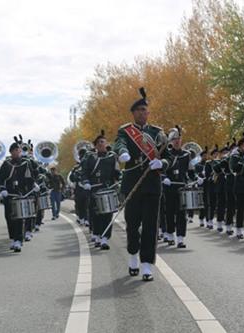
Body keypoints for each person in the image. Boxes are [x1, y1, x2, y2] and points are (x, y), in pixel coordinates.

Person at [113, 87, 168, 281]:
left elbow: (167, 156)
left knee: (151, 226)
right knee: (132, 224)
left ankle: (146, 264)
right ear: (134, 113)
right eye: (139, 111)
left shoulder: (158, 133)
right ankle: (133, 254)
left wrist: (162, 163)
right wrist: (122, 153)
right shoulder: (126, 131)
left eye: (145, 111)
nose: (143, 114)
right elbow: (118, 143)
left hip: (152, 185)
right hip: (133, 184)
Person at [79, 130, 120, 249]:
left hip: (108, 189)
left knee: (108, 214)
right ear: (96, 145)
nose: (103, 144)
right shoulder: (90, 158)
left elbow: (117, 173)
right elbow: (84, 172)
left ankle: (105, 239)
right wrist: (86, 182)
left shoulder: (112, 157)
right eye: (100, 142)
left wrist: (120, 179)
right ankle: (96, 234)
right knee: (95, 214)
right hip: (94, 189)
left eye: (104, 142)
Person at [0, 140, 40, 252]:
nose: (18, 152)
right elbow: (0, 178)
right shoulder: (6, 164)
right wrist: (2, 189)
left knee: (20, 217)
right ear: (11, 152)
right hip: (9, 193)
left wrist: (33, 184)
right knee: (9, 217)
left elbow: (30, 177)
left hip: (21, 193)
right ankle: (13, 238)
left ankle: (18, 240)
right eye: (16, 150)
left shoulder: (26, 163)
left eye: (19, 150)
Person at [162, 126, 199, 248]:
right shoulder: (166, 154)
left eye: (179, 138)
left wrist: (196, 178)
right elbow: (161, 170)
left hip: (182, 187)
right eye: (174, 139)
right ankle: (169, 235)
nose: (177, 141)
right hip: (169, 186)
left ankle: (180, 238)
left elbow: (191, 171)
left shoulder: (187, 155)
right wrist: (164, 178)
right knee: (169, 212)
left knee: (181, 214)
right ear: (170, 141)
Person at [229, 133, 244, 239]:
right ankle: (238, 230)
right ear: (240, 146)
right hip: (239, 186)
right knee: (241, 209)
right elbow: (235, 169)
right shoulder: (235, 156)